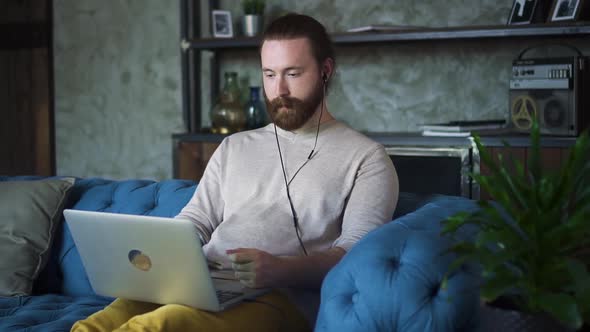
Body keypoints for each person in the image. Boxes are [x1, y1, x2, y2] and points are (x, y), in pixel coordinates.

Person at [72, 13, 398, 332]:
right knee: (95, 325)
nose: (279, 89)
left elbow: (355, 255)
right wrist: (157, 257)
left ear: (325, 71)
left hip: (280, 300)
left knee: (157, 326)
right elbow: (196, 220)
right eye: (269, 74)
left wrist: (281, 270)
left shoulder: (366, 158)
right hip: (199, 284)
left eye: (293, 74)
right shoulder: (235, 146)